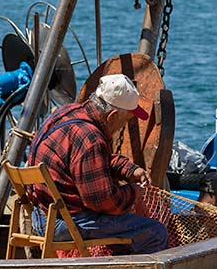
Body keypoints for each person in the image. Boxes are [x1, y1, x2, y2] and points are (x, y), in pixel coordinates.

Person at [26, 74, 169, 254]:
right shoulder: (90, 139)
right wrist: (134, 193)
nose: (123, 127)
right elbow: (103, 202)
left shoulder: (68, 113)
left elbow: (93, 163)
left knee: (127, 226)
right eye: (126, 121)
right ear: (113, 116)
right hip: (63, 224)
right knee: (155, 232)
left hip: (41, 215)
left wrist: (129, 169)